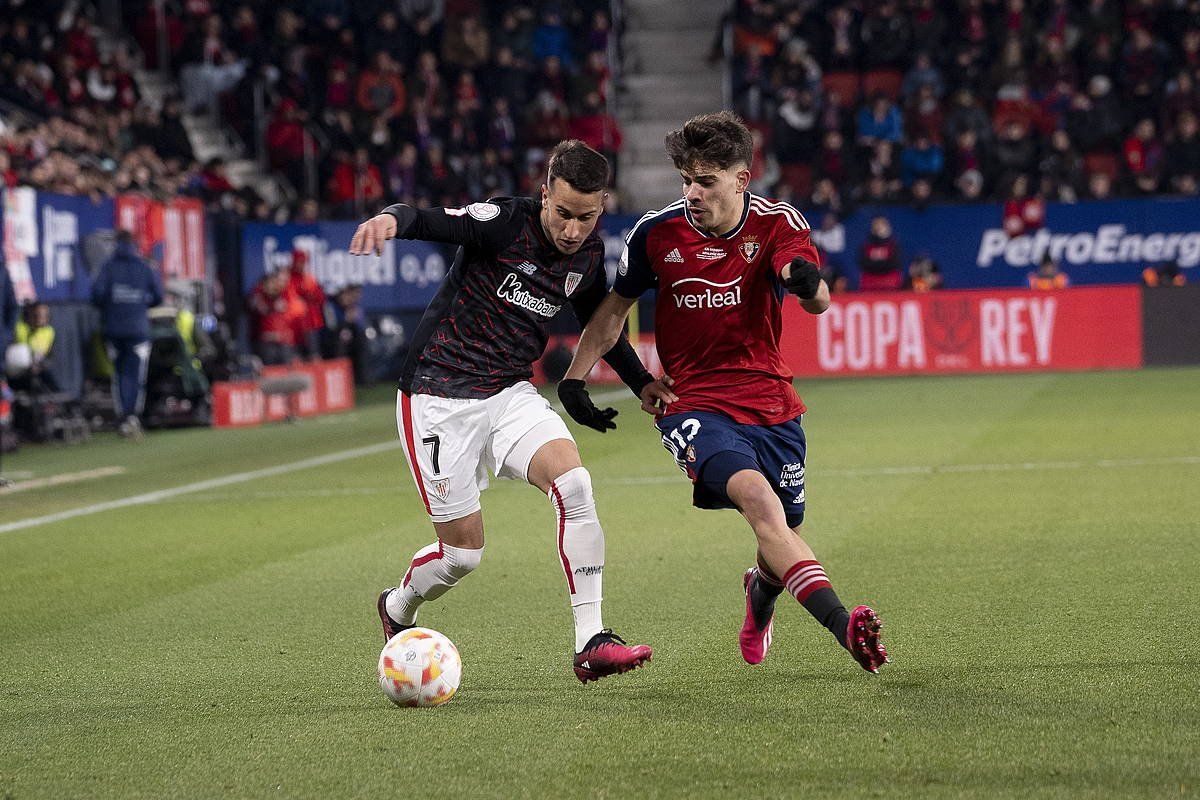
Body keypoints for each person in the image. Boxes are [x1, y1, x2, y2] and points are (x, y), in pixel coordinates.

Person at [558, 112, 889, 675]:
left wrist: (809, 287)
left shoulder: (778, 222)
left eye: (706, 181)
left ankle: (760, 594)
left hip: (771, 401)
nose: (692, 193)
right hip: (693, 403)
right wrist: (575, 377)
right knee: (762, 506)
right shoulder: (654, 234)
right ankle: (846, 628)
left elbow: (817, 297)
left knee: (782, 531)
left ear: (741, 179)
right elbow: (613, 312)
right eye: (686, 179)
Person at [348, 140, 665, 683]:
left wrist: (641, 383)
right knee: (462, 556)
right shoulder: (502, 222)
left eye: (585, 218)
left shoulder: (588, 255)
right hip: (436, 394)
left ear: (601, 207)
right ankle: (397, 606)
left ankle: (591, 641)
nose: (572, 229)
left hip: (508, 392)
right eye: (563, 214)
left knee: (576, 486)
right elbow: (427, 219)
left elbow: (600, 325)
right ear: (544, 195)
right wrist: (388, 220)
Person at [91, 230, 163, 438]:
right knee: (136, 375)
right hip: (138, 329)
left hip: (114, 329)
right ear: (134, 244)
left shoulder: (108, 267)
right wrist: (141, 304)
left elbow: (96, 295)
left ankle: (123, 416)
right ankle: (132, 416)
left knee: (119, 374)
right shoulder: (144, 267)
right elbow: (158, 296)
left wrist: (112, 307)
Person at [12, 302, 59, 391]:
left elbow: (51, 356)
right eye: (36, 315)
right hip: (18, 370)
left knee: (48, 378)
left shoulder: (49, 332)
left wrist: (40, 366)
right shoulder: (19, 328)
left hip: (39, 368)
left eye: (44, 315)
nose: (40, 318)